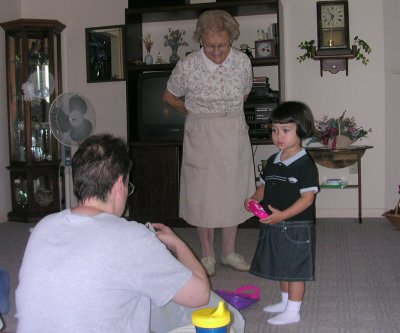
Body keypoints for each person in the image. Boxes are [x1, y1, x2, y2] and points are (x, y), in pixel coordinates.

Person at [15, 134, 210, 333]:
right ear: (119, 185)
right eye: (128, 186)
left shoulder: (44, 227)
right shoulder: (132, 237)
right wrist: (178, 244)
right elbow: (200, 295)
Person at [163, 9, 255, 277]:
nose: (216, 51)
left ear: (231, 39)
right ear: (200, 40)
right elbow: (169, 96)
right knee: (203, 194)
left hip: (233, 128)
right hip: (201, 130)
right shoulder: (188, 64)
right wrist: (193, 112)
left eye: (222, 45)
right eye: (210, 45)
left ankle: (229, 252)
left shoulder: (242, 62)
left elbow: (245, 93)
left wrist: (226, 113)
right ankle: (207, 255)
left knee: (233, 192)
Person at [244, 101, 319, 326]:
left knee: (295, 269)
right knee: (281, 265)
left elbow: (308, 198)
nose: (279, 136)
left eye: (286, 130)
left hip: (296, 225)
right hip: (274, 222)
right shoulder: (273, 161)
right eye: (275, 130)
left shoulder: (305, 164)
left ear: (301, 130)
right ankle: (285, 301)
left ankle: (293, 310)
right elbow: (264, 186)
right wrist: (255, 199)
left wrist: (283, 215)